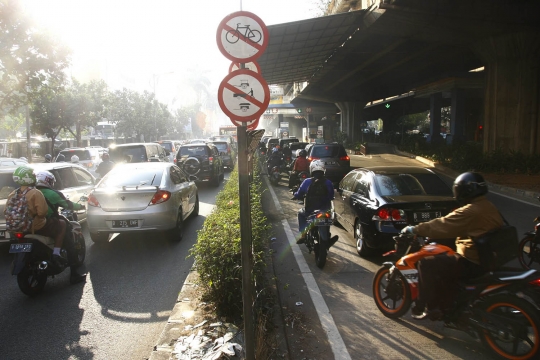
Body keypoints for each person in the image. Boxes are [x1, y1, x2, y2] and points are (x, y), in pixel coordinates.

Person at [401, 172, 504, 320]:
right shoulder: (488, 206)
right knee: (445, 260)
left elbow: (443, 224)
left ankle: (429, 307)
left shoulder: (470, 211)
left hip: (472, 262)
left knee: (426, 264)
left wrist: (415, 229)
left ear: (461, 191)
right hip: (489, 257)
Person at [5, 166, 66, 268]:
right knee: (62, 224)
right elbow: (42, 212)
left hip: (17, 228)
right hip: (36, 226)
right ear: (29, 178)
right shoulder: (35, 192)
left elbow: (6, 211)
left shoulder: (12, 194)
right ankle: (56, 253)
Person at [35, 170, 87, 284]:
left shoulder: (30, 192)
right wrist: (82, 206)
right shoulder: (53, 193)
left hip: (31, 225)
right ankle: (73, 274)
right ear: (48, 181)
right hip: (48, 224)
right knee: (69, 242)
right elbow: (68, 205)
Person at [292, 160, 338, 246]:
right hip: (324, 211)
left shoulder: (307, 181)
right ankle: (327, 238)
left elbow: (299, 193)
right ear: (323, 170)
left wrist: (295, 194)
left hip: (309, 211)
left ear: (311, 169)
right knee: (327, 219)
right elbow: (331, 196)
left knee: (300, 213)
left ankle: (303, 235)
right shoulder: (328, 182)